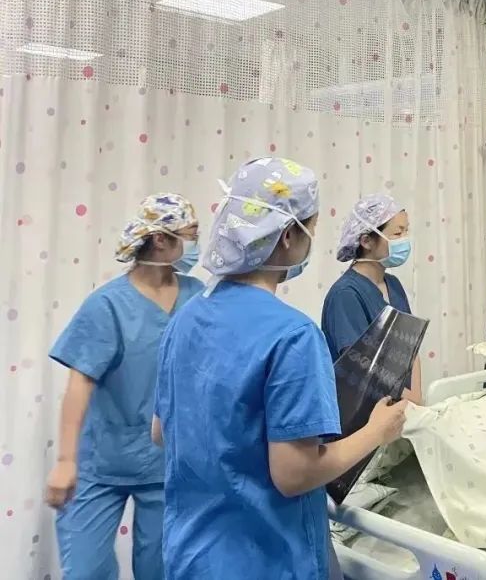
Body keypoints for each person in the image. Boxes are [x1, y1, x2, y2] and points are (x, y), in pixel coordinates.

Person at [152, 157, 405, 580]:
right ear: (288, 235)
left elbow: (160, 432)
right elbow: (295, 474)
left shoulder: (186, 317)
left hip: (192, 555)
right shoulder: (292, 335)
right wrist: (377, 431)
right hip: (267, 560)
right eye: (311, 228)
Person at [46, 193, 202, 580]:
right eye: (190, 234)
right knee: (85, 570)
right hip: (101, 462)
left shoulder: (196, 296)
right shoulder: (107, 305)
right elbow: (80, 383)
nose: (197, 244)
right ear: (161, 239)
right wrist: (65, 462)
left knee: (161, 569)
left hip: (166, 461)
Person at [322, 194, 422, 404]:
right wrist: (409, 400)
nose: (405, 239)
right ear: (366, 241)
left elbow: (411, 349)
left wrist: (416, 399)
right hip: (364, 413)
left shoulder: (393, 285)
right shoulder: (346, 294)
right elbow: (360, 368)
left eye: (406, 231)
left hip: (401, 406)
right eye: (397, 233)